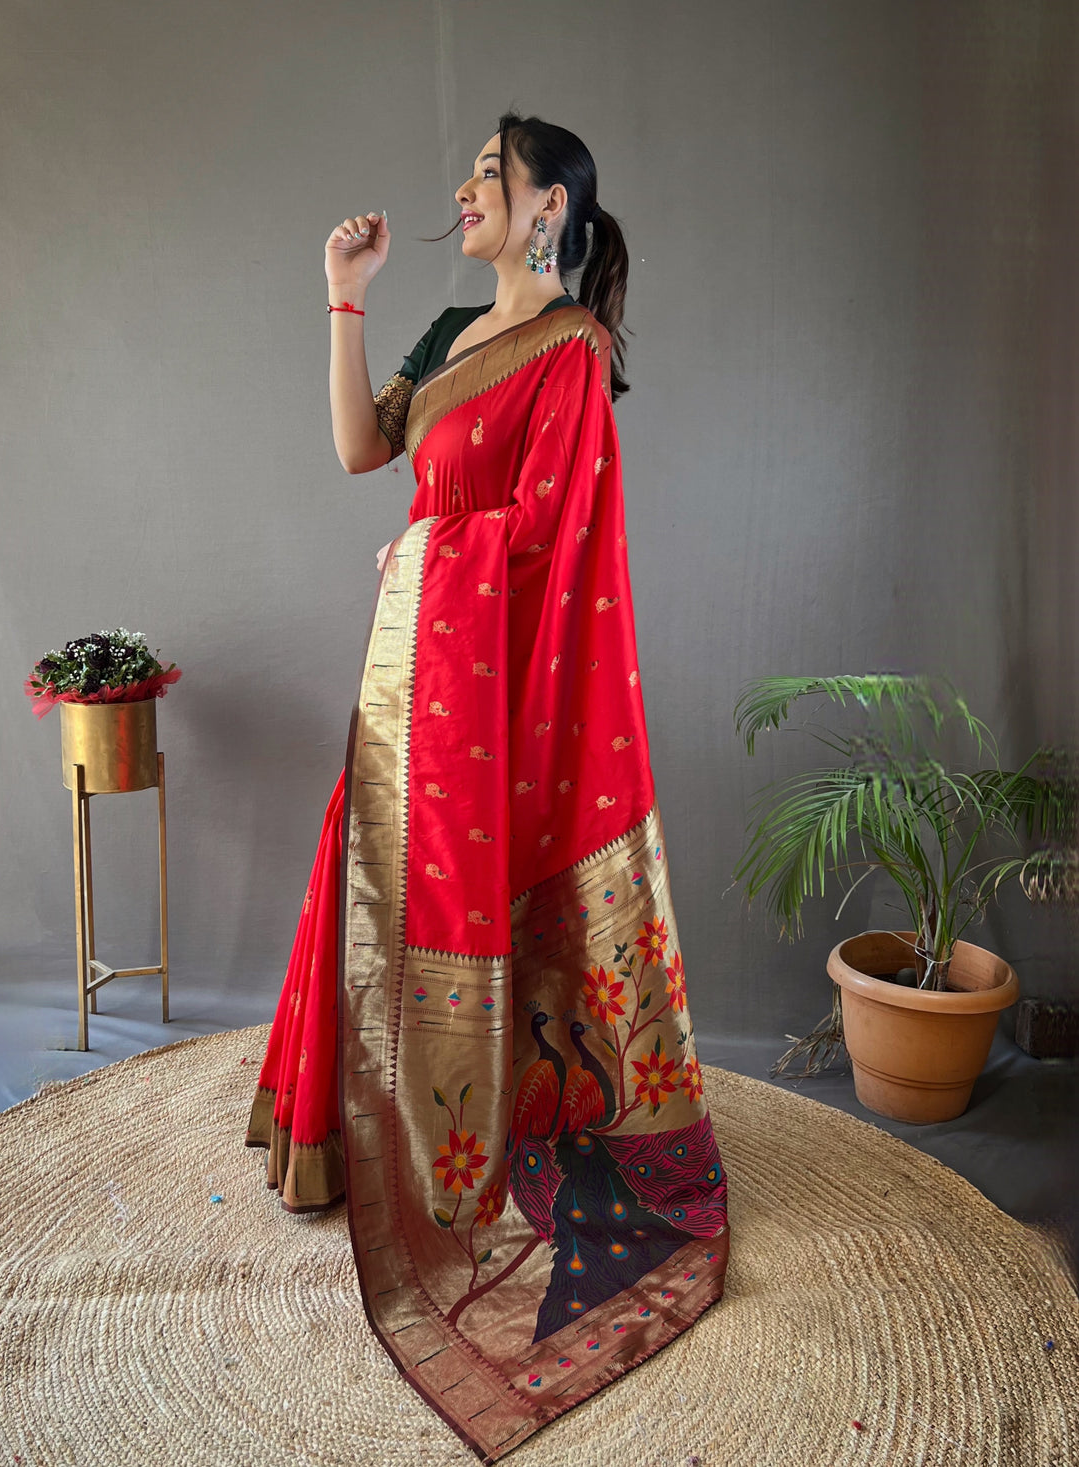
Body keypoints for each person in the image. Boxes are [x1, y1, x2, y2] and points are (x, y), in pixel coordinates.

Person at [245, 111, 729, 1464]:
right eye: (466, 173)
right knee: (364, 876)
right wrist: (345, 301)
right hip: (413, 679)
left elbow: (560, 535)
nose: (464, 190)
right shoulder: (450, 332)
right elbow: (363, 455)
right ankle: (341, 1138)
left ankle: (459, 1149)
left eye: (490, 178)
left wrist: (433, 560)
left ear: (548, 210)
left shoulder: (568, 350)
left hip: (483, 698)